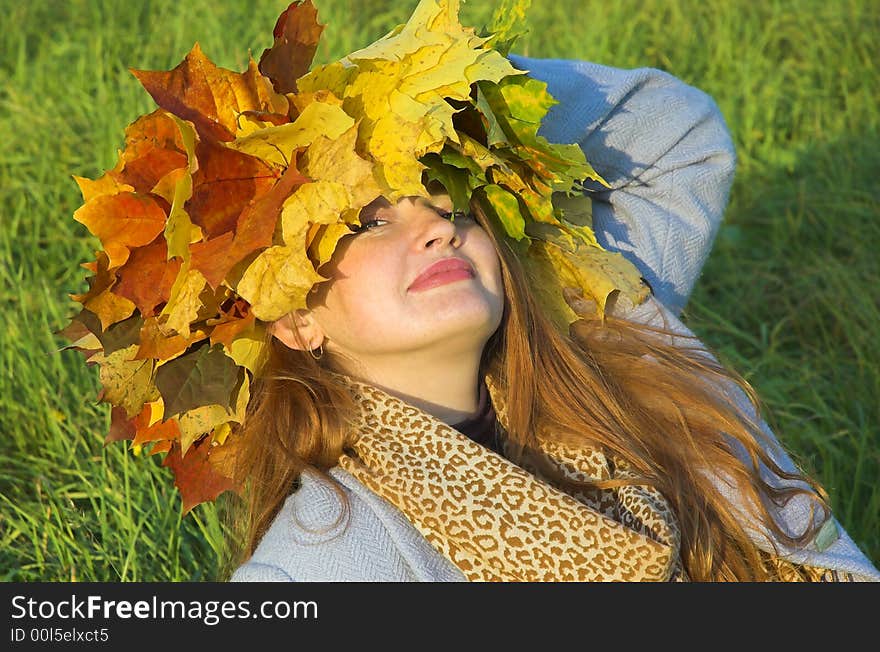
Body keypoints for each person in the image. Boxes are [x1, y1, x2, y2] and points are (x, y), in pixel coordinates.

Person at [67, 0, 879, 582]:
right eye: (365, 224)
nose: (436, 226)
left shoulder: (609, 325)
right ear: (291, 322)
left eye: (446, 198)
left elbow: (677, 132)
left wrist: (440, 101)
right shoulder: (334, 556)